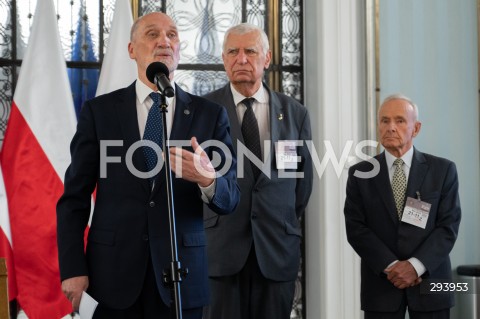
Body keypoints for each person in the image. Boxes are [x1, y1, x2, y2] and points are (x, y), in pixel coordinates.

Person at [56, 12, 240, 319]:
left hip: (182, 279)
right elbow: (73, 198)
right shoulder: (99, 112)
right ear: (131, 50)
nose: (164, 41)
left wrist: (208, 180)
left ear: (180, 48)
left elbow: (230, 198)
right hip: (115, 276)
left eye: (172, 35)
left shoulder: (210, 115)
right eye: (152, 34)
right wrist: (73, 267)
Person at [202, 23, 313, 319]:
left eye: (250, 51)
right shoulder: (204, 110)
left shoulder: (294, 113)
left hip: (276, 250)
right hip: (220, 253)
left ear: (266, 58)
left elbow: (301, 187)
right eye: (233, 52)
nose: (241, 59)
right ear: (224, 60)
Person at [344, 94, 461, 319]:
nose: (391, 127)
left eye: (399, 121)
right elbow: (356, 229)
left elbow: (448, 226)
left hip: (431, 284)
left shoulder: (443, 170)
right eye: (384, 121)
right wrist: (393, 267)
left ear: (415, 128)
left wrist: (415, 266)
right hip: (381, 286)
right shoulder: (360, 173)